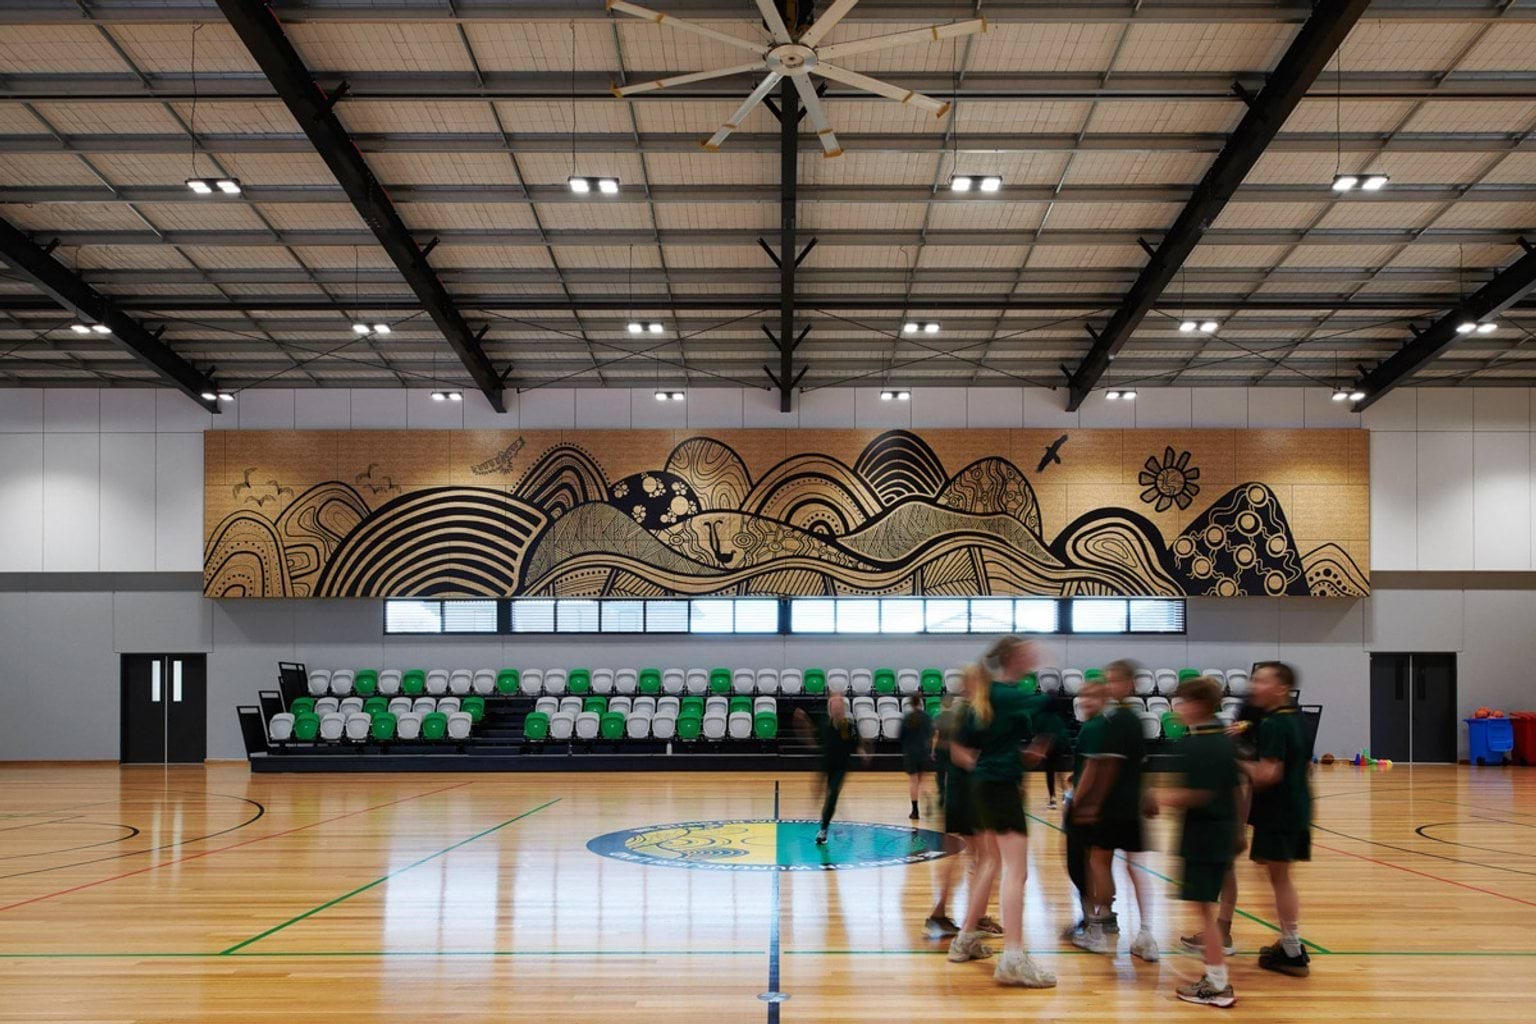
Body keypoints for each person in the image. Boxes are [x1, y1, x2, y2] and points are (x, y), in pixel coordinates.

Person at [946, 639, 1057, 989]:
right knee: (1017, 872)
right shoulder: (1010, 695)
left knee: (991, 863)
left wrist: (1029, 749)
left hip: (982, 785)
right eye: (1029, 651)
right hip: (1000, 785)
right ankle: (1012, 958)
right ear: (1015, 658)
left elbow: (962, 746)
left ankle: (963, 940)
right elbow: (1052, 710)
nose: (1035, 655)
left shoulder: (984, 698)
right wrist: (1039, 745)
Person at [1159, 675, 1241, 1008]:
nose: (1177, 708)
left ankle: (1218, 984)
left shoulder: (1194, 745)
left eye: (1181, 701)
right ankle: (1216, 978)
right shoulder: (1224, 741)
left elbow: (1199, 795)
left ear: (1197, 705)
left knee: (1205, 914)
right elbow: (1236, 789)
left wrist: (1160, 798)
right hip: (1222, 833)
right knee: (1205, 910)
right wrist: (1238, 832)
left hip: (1203, 837)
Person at [1071, 658, 1159, 962]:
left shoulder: (1114, 721)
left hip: (1112, 806)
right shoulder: (1135, 719)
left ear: (1128, 684)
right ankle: (1146, 934)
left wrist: (1090, 803)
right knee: (1135, 867)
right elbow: (1142, 763)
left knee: (1099, 862)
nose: (1109, 685)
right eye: (1107, 680)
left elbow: (1104, 766)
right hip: (1132, 804)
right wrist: (1146, 795)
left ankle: (1098, 929)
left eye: (1114, 680)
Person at [1242, 661, 1313, 977]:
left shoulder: (1273, 725)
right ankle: (1289, 941)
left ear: (1281, 688)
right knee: (1275, 877)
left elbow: (1269, 774)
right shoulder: (1292, 718)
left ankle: (1292, 947)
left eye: (1261, 681)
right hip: (1293, 807)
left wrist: (1233, 762)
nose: (1254, 687)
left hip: (1279, 811)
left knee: (1279, 879)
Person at [925, 674, 1002, 939]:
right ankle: (967, 916)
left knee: (971, 856)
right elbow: (961, 755)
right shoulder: (971, 715)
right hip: (968, 792)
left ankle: (950, 914)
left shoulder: (965, 714)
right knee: (984, 857)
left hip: (961, 792)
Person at [1059, 678, 1112, 942]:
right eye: (1083, 696)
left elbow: (1092, 769)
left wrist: (1075, 801)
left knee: (1079, 865)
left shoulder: (1092, 728)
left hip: (1086, 807)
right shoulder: (1103, 727)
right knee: (1096, 864)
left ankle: (1093, 921)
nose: (1086, 701)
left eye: (1092, 696)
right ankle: (1102, 917)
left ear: (1103, 699)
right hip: (1101, 806)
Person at [795, 692, 865, 846]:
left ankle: (823, 830)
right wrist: (803, 720)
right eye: (834, 706)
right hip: (825, 765)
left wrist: (861, 750)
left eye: (839, 706)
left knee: (832, 795)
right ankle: (828, 814)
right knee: (818, 793)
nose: (837, 709)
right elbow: (812, 732)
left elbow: (857, 742)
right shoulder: (824, 724)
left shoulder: (848, 726)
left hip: (841, 767)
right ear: (830, 709)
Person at [900, 693, 934, 821]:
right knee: (923, 781)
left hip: (910, 753)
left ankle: (915, 811)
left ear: (910, 704)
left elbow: (901, 736)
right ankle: (928, 798)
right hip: (924, 752)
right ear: (920, 702)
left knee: (913, 782)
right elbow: (931, 733)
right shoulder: (927, 717)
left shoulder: (907, 718)